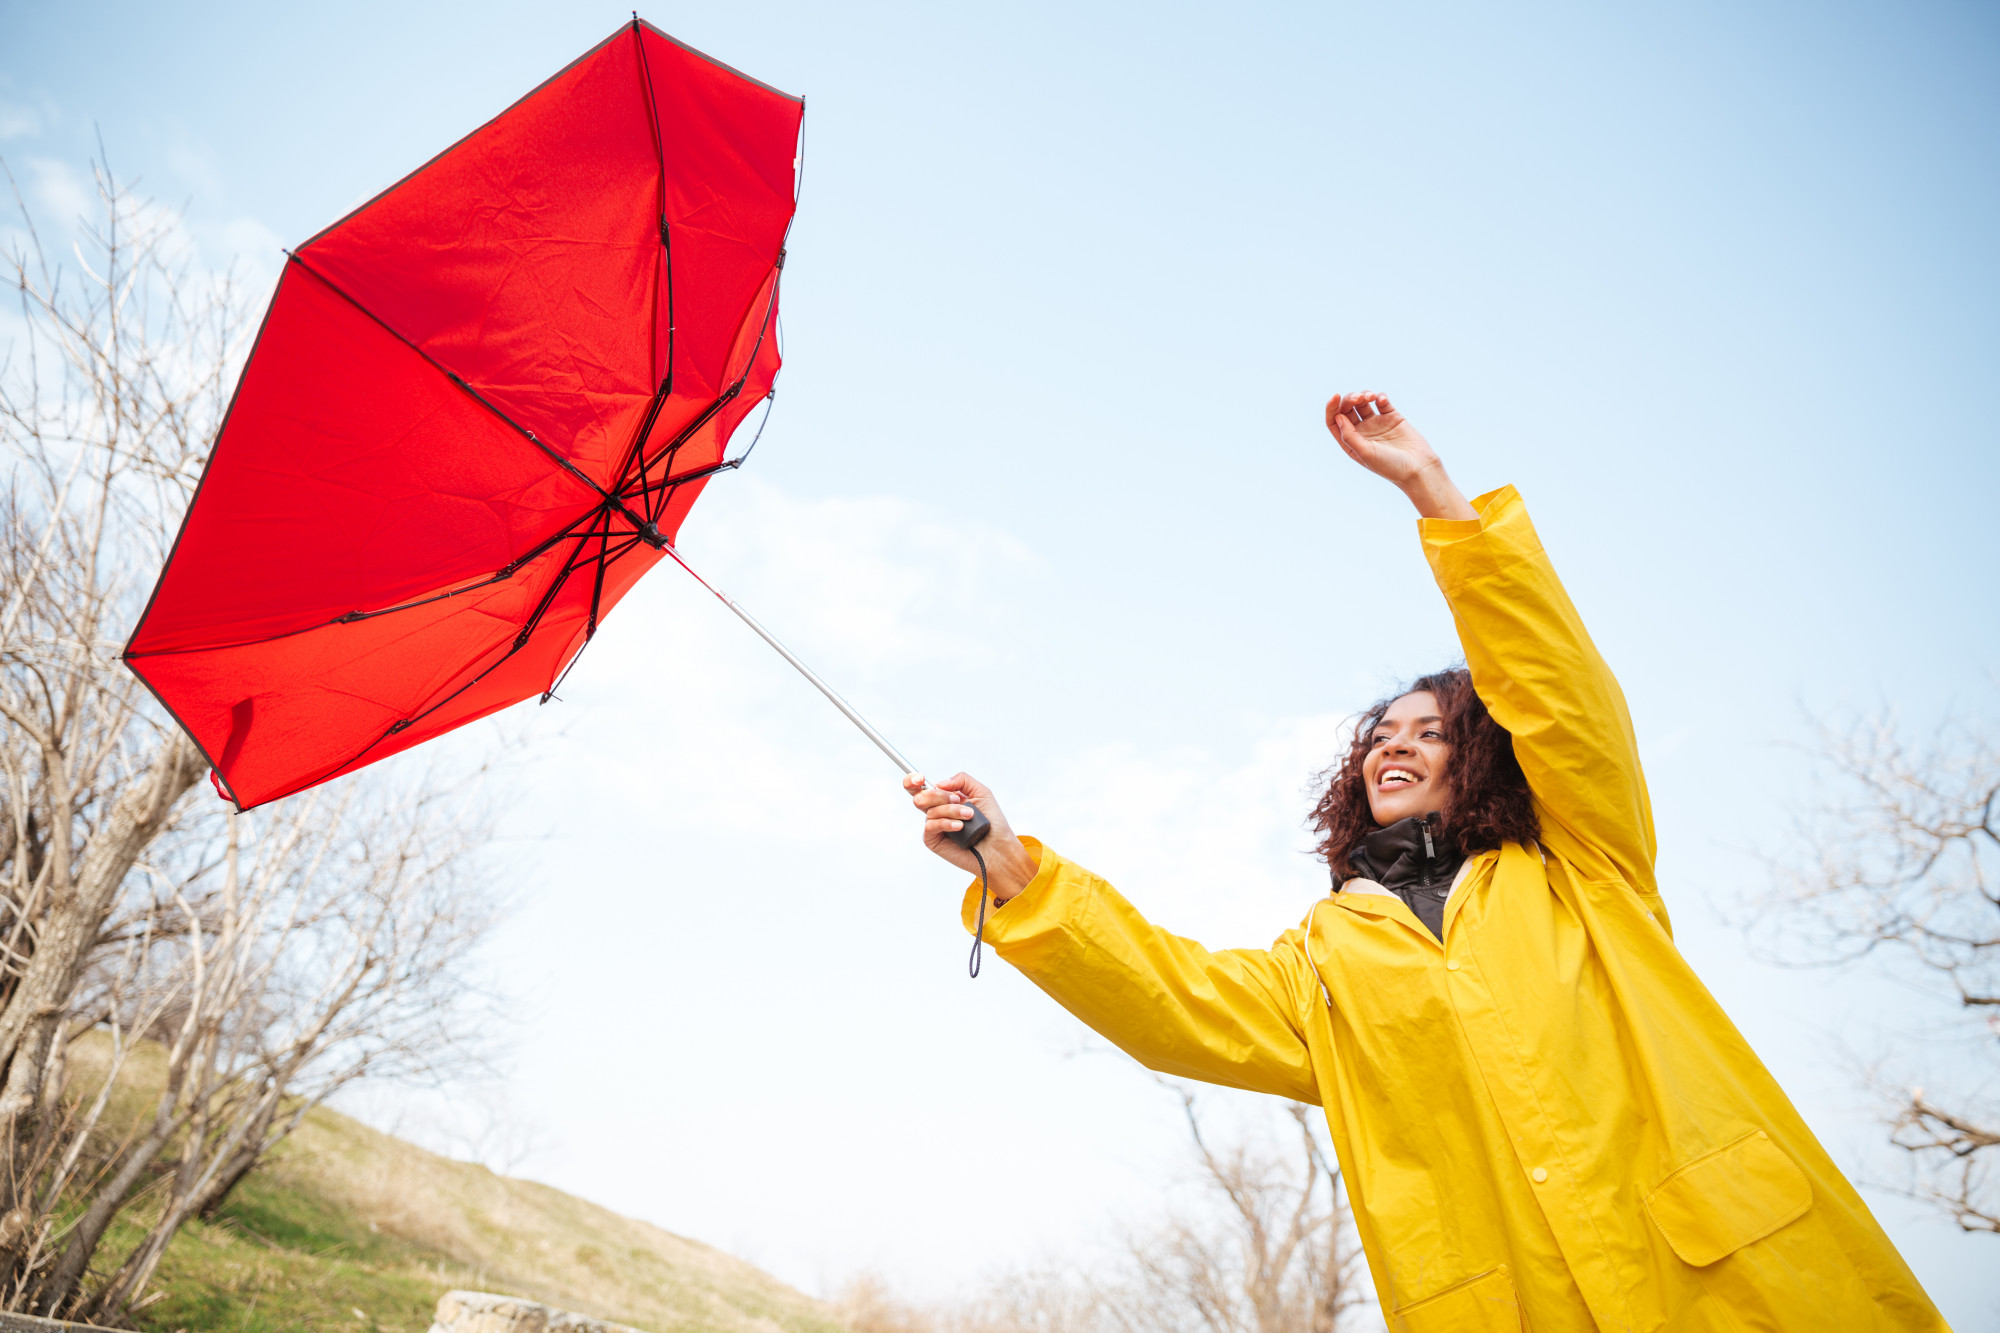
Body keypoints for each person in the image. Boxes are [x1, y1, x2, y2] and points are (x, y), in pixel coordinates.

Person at [903, 393, 1949, 1332]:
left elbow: (1559, 694)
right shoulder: (1325, 961)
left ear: (1482, 755)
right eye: (1379, 732)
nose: (1392, 743)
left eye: (1429, 729)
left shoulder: (1582, 861)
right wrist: (1008, 865)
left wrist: (1431, 491)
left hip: (1739, 1289)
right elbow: (1170, 998)